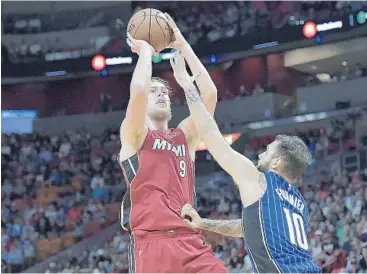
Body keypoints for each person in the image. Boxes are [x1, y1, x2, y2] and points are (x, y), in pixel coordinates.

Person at [170, 52, 321, 273]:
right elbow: (249, 227)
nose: (261, 154)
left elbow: (211, 135)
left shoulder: (261, 180)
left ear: (277, 162)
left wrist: (187, 86)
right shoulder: (298, 203)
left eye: (267, 151)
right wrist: (204, 223)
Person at [118, 13, 227, 273]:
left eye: (165, 93)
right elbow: (139, 91)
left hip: (190, 240)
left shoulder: (184, 137)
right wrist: (146, 52)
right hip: (152, 244)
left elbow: (210, 95)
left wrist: (182, 45)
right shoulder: (134, 134)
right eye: (155, 92)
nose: (162, 96)